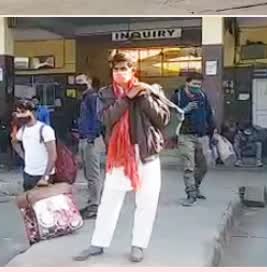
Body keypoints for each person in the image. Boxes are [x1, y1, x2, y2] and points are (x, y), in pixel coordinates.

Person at [74, 53, 170, 264]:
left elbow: (162, 119)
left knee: (147, 201)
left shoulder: (150, 90)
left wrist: (143, 96)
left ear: (132, 71)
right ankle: (98, 243)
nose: (119, 73)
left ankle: (138, 245)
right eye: (116, 69)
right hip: (119, 156)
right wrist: (127, 98)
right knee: (110, 200)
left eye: (124, 69)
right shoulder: (105, 93)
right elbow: (106, 118)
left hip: (147, 154)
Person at [175, 72, 215, 206]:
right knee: (188, 167)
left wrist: (211, 133)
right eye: (194, 84)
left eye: (199, 84)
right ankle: (190, 194)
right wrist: (184, 110)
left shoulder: (202, 96)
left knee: (204, 166)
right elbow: (169, 114)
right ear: (187, 83)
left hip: (201, 136)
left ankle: (196, 187)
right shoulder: (178, 96)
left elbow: (209, 114)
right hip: (185, 136)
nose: (197, 87)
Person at [12, 99, 57, 191]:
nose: (20, 115)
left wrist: (45, 177)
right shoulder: (23, 130)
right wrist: (23, 155)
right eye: (18, 112)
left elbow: (52, 155)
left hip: (43, 174)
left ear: (32, 112)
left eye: (23, 112)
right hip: (28, 173)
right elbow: (14, 141)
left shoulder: (45, 130)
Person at [76, 74, 104, 219]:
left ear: (89, 81)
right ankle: (93, 202)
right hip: (84, 138)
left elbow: (97, 118)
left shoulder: (93, 97)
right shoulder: (85, 97)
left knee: (93, 174)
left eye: (82, 81)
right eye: (77, 82)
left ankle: (95, 205)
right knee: (89, 173)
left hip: (90, 139)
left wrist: (91, 137)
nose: (79, 84)